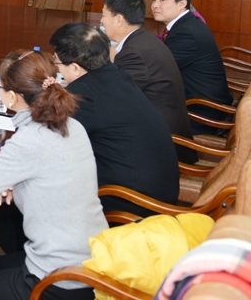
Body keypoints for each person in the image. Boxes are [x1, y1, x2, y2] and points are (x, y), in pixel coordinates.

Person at [0, 49, 106, 300]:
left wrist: (10, 183)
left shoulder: (30, 139)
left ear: (11, 97)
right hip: (96, 260)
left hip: (60, 280)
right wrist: (17, 182)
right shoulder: (72, 125)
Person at [50, 23, 179, 217]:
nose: (56, 68)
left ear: (76, 68)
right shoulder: (117, 76)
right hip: (158, 192)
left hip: (131, 205)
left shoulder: (84, 96)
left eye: (57, 63)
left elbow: (51, 141)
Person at [100, 0, 196, 164]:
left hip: (162, 147)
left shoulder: (134, 52)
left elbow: (114, 99)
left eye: (104, 15)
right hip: (162, 133)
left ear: (119, 20)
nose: (101, 21)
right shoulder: (143, 40)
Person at [151, 0, 231, 136]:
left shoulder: (187, 33)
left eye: (162, 0)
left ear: (182, 3)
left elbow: (157, 69)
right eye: (153, 0)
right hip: (198, 102)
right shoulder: (187, 25)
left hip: (201, 114)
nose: (155, 5)